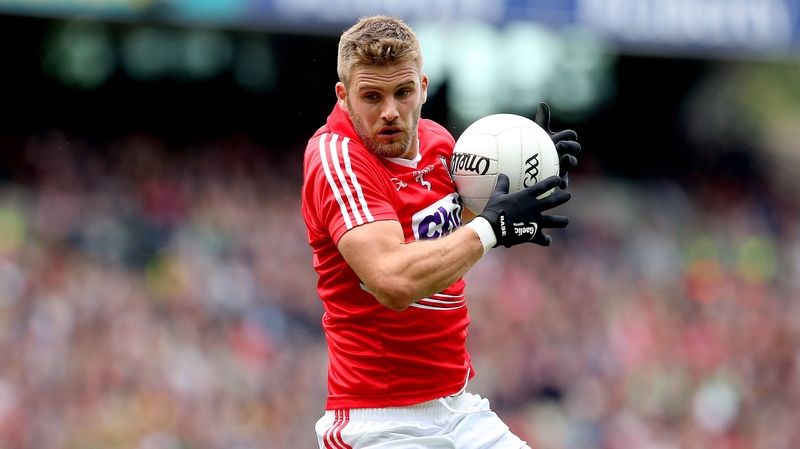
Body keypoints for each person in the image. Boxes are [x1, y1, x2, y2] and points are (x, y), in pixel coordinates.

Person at [301, 15, 580, 449]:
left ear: (424, 88)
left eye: (403, 92)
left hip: (459, 409)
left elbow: (462, 230)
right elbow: (393, 281)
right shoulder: (337, 158)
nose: (390, 112)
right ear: (343, 95)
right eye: (371, 96)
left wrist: (529, 167)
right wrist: (491, 228)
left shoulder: (441, 144)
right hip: (380, 424)